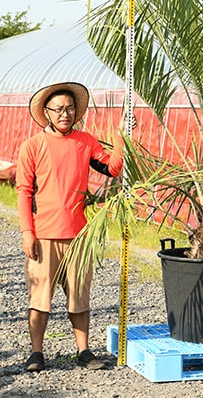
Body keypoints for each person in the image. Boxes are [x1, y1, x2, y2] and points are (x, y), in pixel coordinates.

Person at [16, 81, 131, 372]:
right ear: (47, 112)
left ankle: (83, 351)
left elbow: (112, 168)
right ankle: (36, 353)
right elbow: (23, 192)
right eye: (59, 109)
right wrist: (27, 233)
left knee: (79, 297)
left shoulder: (86, 142)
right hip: (43, 235)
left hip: (79, 235)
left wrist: (122, 137)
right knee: (40, 298)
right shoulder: (33, 146)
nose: (65, 114)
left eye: (70, 108)